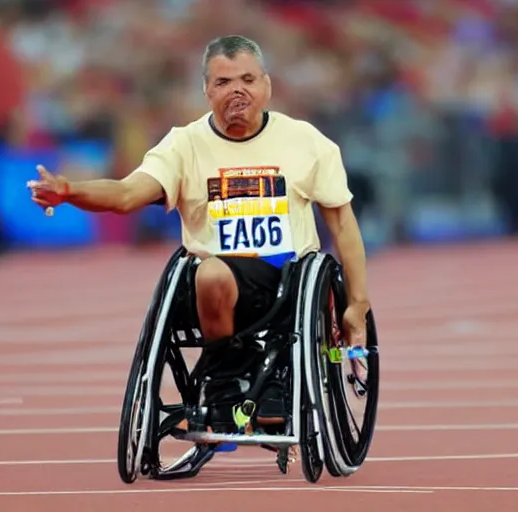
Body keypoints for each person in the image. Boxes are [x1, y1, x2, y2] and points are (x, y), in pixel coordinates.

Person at [27, 35, 372, 426]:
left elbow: (343, 224)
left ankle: (255, 379)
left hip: (287, 281)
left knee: (216, 273)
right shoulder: (184, 145)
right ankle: (225, 384)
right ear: (206, 90)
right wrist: (71, 191)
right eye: (223, 82)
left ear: (267, 86)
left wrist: (357, 304)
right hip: (209, 285)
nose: (237, 90)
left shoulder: (306, 142)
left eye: (247, 79)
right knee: (210, 272)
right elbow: (126, 194)